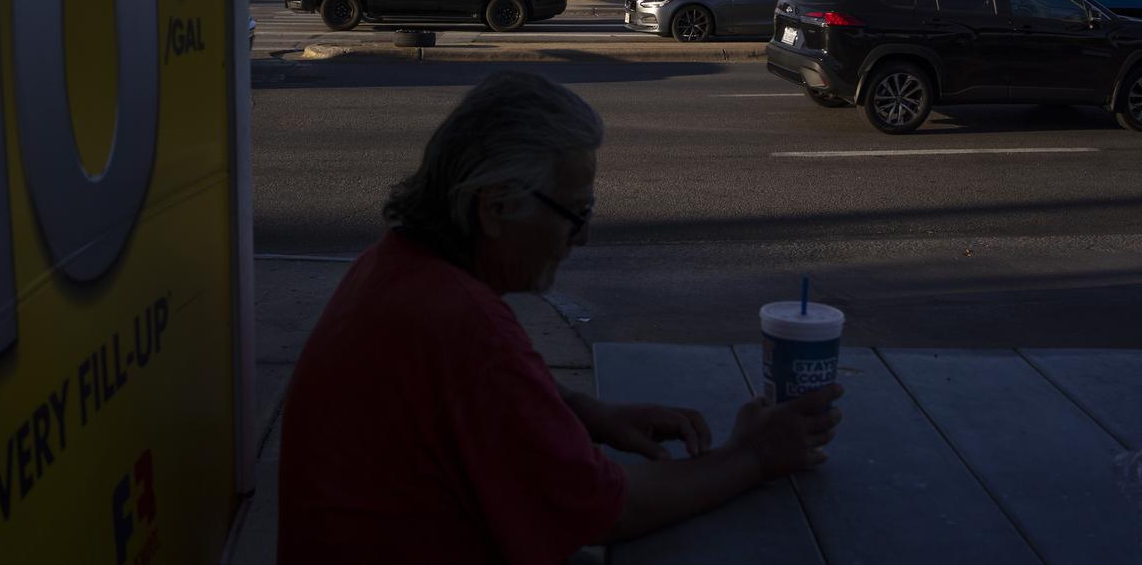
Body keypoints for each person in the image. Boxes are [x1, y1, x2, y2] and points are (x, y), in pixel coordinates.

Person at [277, 71, 844, 564]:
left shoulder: (393, 266)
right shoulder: (464, 327)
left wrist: (584, 413)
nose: (585, 236)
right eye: (576, 213)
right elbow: (609, 510)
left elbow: (455, 399)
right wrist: (755, 455)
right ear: (497, 207)